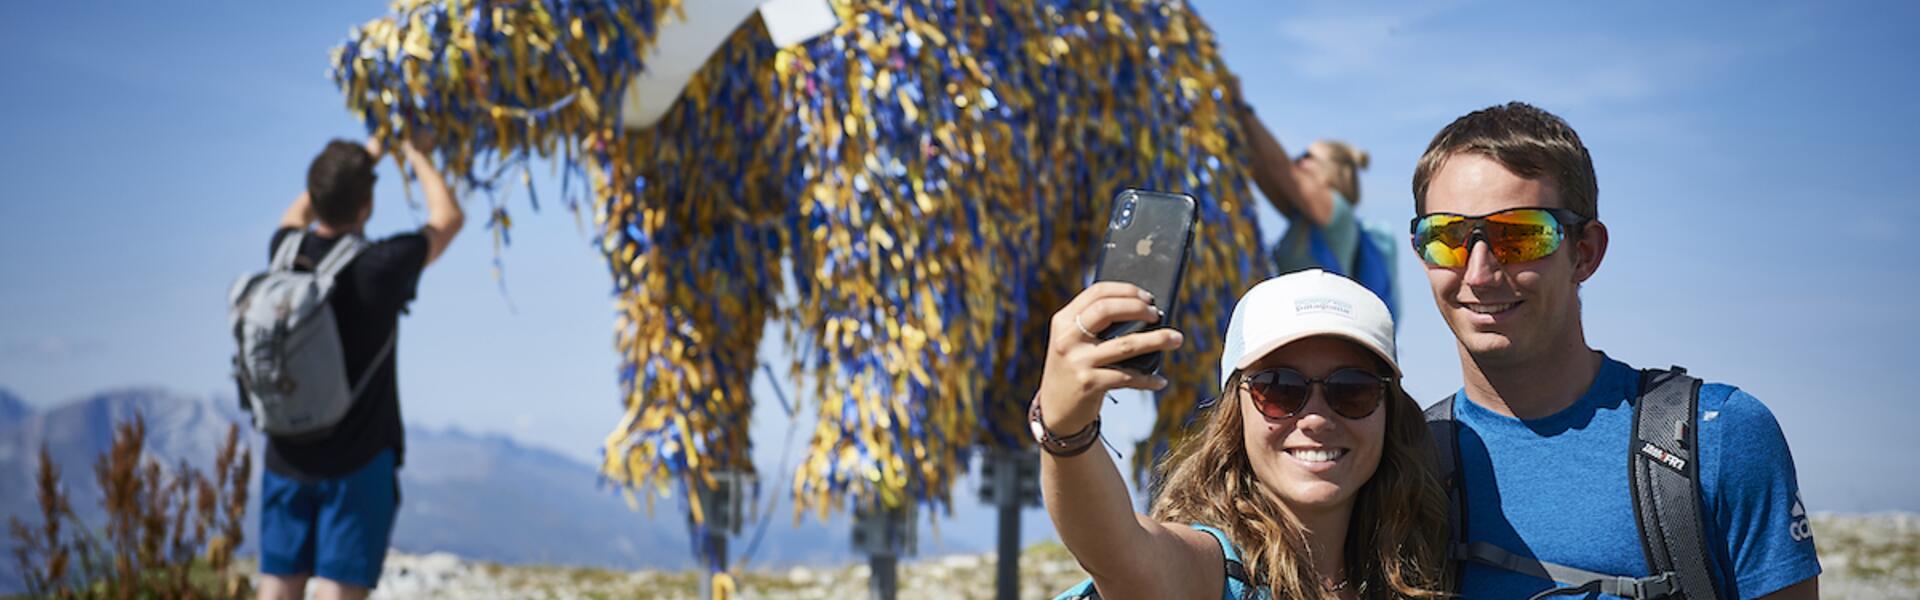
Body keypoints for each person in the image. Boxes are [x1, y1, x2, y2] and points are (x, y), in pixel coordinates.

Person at [1409, 101, 1820, 598]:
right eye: (1446, 237)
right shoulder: (1403, 461)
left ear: (1584, 252)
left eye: (1518, 236)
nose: (1478, 273)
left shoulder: (1720, 439)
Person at [1036, 270, 1446, 599]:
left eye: (1352, 390)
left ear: (1389, 411)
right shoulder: (1211, 573)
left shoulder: (1409, 573)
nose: (1316, 418)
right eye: (1280, 389)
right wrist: (1066, 430)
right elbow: (1119, 553)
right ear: (1237, 411)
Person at [256, 131, 462, 600]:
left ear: (316, 192)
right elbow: (448, 218)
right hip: (358, 456)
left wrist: (362, 158)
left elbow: (298, 213)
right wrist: (415, 154)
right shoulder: (381, 266)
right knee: (338, 590)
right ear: (366, 205)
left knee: (277, 585)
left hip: (285, 452)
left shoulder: (284, 253)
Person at [1234, 92, 1400, 317]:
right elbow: (1261, 173)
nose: (1298, 160)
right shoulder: (1302, 217)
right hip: (1295, 320)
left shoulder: (1338, 214)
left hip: (1320, 324)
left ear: (1331, 173)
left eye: (1307, 156)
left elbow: (1282, 170)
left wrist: (1243, 109)